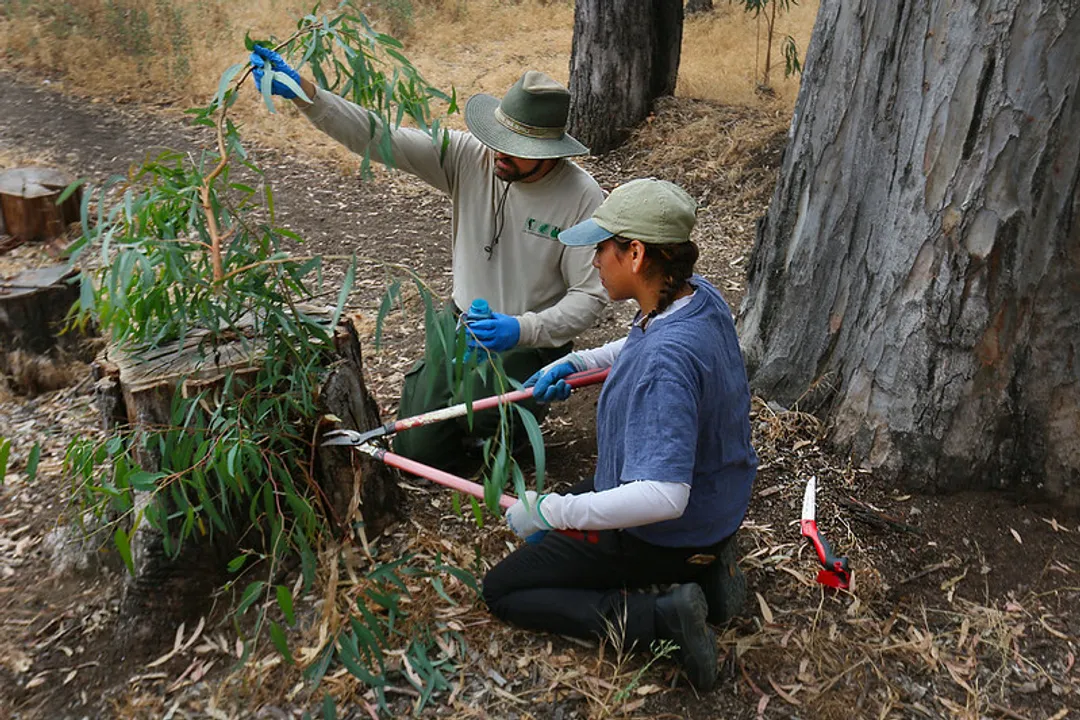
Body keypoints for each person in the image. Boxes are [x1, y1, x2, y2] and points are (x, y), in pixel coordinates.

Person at [250, 47, 608, 472]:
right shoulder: (470, 156)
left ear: (550, 151)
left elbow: (590, 296)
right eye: (497, 139)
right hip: (459, 324)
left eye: (515, 147)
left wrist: (521, 329)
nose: (498, 152)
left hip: (527, 341)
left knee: (488, 426)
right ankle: (467, 428)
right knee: (418, 451)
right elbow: (380, 137)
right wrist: (306, 95)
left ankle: (508, 434)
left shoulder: (581, 197)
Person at [482, 178, 757, 691]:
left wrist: (554, 510)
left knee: (504, 588)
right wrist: (578, 362)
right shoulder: (696, 296)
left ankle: (662, 620)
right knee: (555, 522)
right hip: (718, 501)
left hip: (670, 528)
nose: (593, 263)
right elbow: (646, 338)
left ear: (635, 253)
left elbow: (663, 496)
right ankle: (707, 569)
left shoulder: (666, 361)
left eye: (601, 249)